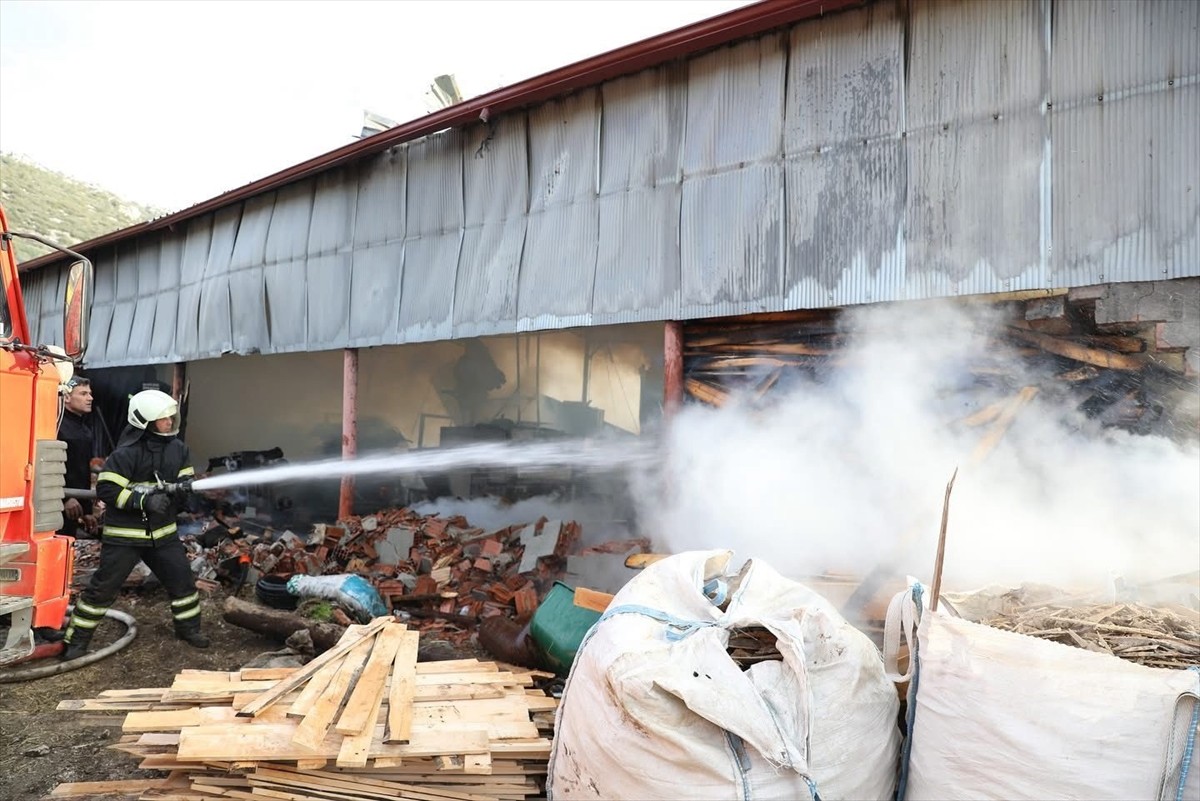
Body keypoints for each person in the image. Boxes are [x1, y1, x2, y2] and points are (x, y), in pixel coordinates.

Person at [61, 389, 208, 660]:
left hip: (163, 535)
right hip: (125, 538)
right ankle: (77, 641)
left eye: (170, 418)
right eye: (163, 419)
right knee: (102, 590)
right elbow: (106, 489)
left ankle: (188, 629)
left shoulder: (178, 449)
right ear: (145, 422)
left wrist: (183, 495)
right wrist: (143, 502)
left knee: (183, 583)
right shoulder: (125, 454)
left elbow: (185, 478)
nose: (169, 423)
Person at [57, 376, 101, 537]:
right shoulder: (56, 426)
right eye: (83, 394)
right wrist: (64, 498)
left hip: (75, 505)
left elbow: (82, 471)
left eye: (89, 393)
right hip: (56, 506)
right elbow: (49, 467)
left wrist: (86, 509)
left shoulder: (84, 430)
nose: (90, 398)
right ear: (66, 397)